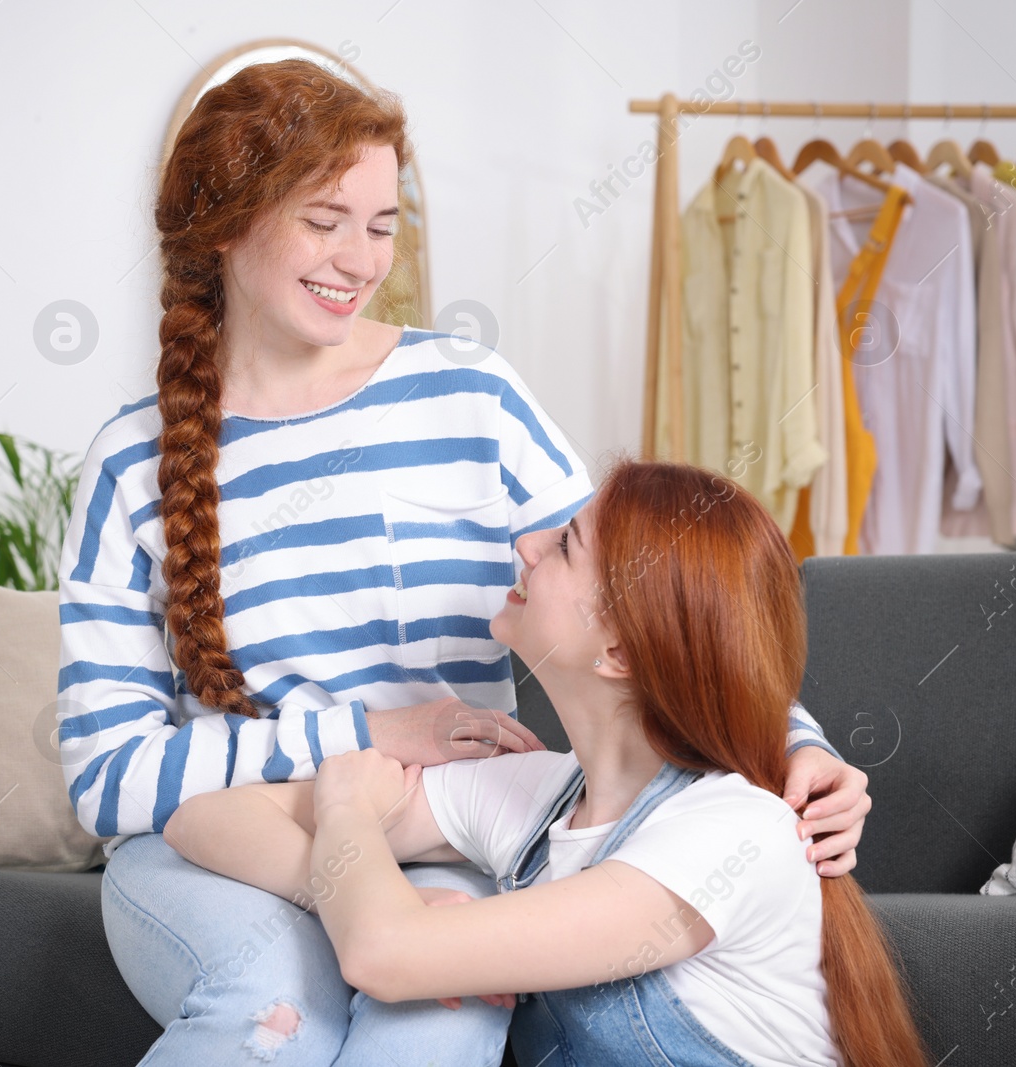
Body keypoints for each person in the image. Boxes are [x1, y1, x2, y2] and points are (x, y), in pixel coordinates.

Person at [55, 57, 871, 1067]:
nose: (359, 259)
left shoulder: (468, 395)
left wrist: (793, 745)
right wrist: (368, 740)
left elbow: (637, 593)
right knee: (273, 1008)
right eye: (324, 219)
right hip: (220, 843)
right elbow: (106, 775)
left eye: (381, 223)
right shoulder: (131, 462)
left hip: (437, 833)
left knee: (432, 1019)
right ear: (226, 224)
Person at [166, 460, 925, 1067]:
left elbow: (381, 952)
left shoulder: (735, 833)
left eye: (563, 545)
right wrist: (360, 884)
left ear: (620, 651)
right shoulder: (539, 798)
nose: (526, 546)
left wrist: (344, 810)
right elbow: (200, 818)